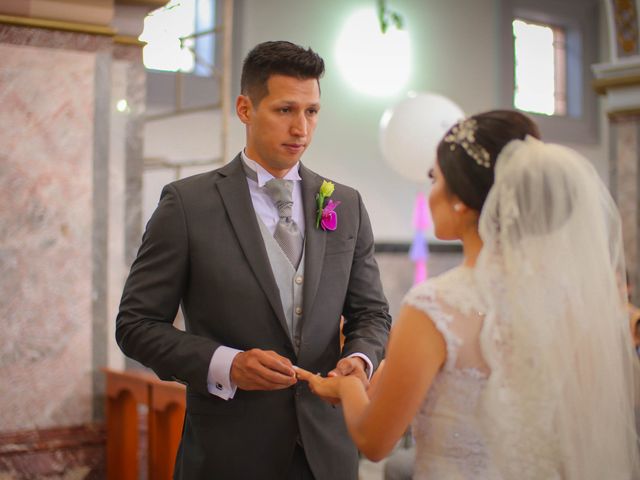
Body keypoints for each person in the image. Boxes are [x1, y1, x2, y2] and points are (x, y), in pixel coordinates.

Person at [297, 110, 640, 479]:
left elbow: (374, 440)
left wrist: (348, 387)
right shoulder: (572, 302)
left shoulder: (435, 305)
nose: (430, 193)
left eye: (435, 179)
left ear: (460, 199)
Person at [116, 40, 391, 480]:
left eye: (312, 112)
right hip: (228, 455)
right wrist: (227, 364)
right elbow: (135, 325)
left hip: (327, 455)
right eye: (285, 110)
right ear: (246, 109)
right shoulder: (187, 205)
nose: (301, 128)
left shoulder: (346, 204)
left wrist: (360, 360)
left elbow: (372, 313)